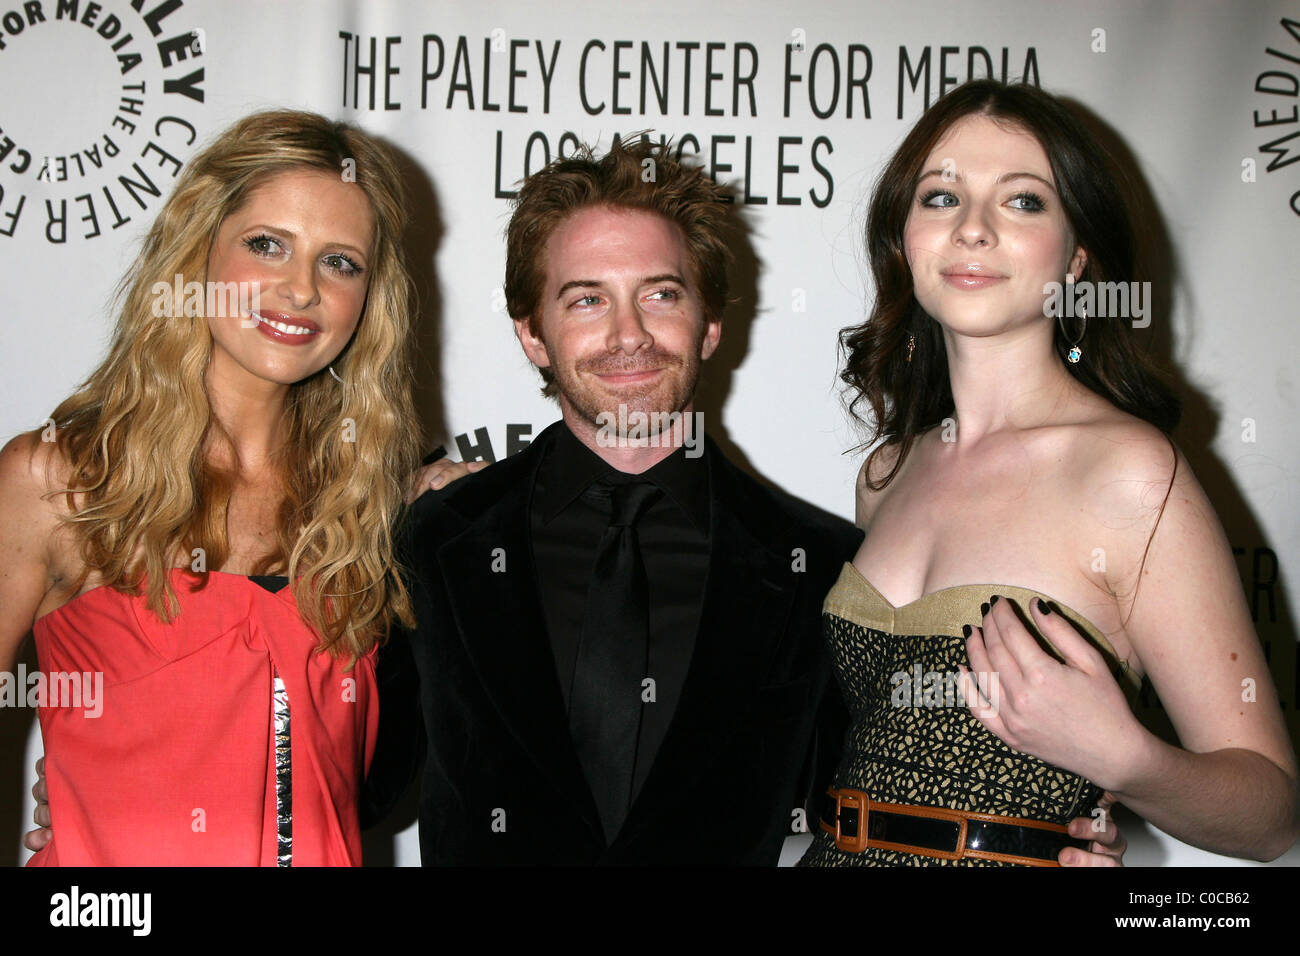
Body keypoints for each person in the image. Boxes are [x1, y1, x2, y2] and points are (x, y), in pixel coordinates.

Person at [361, 136, 1122, 865]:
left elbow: (873, 807)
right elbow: (356, 782)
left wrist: (1039, 844)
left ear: (710, 324)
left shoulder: (820, 568)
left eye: (661, 294)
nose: (629, 335)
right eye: (587, 300)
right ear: (533, 335)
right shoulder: (435, 539)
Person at [803, 79, 1298, 865]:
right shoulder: (887, 471)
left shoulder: (1131, 473)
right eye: (941, 197)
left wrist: (1126, 759)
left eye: (1023, 202)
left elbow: (1271, 813)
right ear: (903, 239)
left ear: (1076, 257)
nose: (972, 230)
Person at [2, 109, 422, 865]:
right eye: (267, 245)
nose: (300, 290)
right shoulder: (60, 479)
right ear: (197, 253)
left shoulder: (365, 505)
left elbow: (377, 775)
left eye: (340, 263)